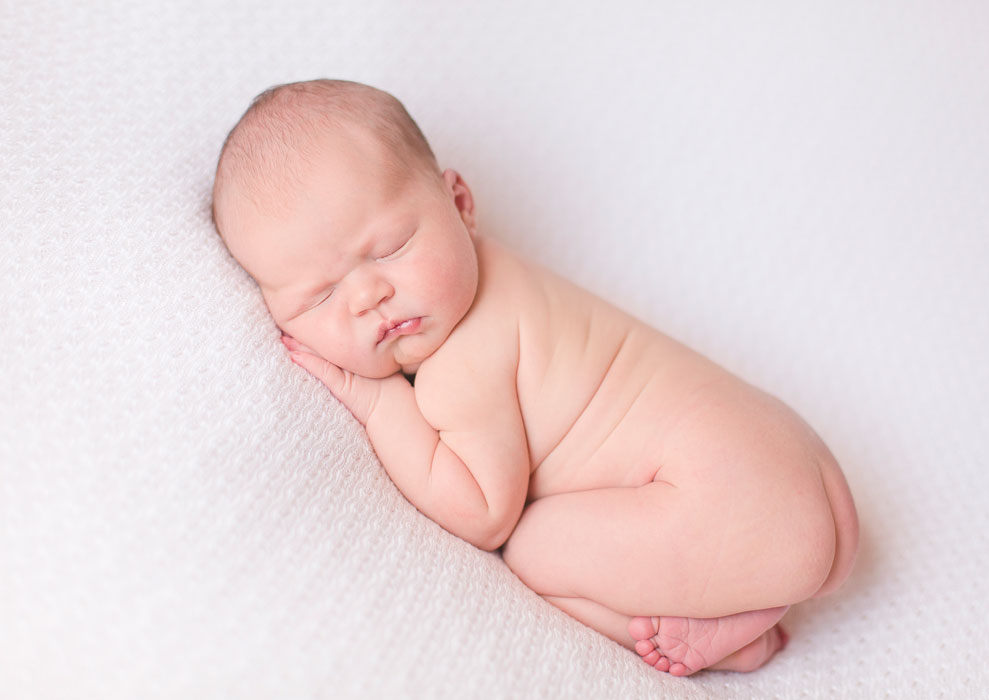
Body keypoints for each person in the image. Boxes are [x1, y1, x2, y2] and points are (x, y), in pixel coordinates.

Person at [211, 79, 859, 676]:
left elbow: (482, 512)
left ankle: (730, 627)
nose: (369, 296)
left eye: (389, 249)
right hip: (783, 458)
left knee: (529, 551)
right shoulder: (505, 278)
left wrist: (377, 403)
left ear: (459, 202)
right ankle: (746, 602)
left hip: (736, 498)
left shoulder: (462, 362)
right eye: (320, 297)